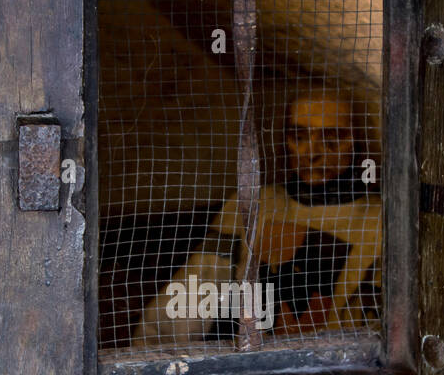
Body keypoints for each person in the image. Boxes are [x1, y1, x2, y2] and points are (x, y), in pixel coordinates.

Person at [131, 86, 382, 348]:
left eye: (331, 137)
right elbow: (193, 293)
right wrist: (152, 359)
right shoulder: (253, 205)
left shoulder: (381, 220)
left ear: (358, 141)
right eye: (298, 136)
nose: (312, 152)